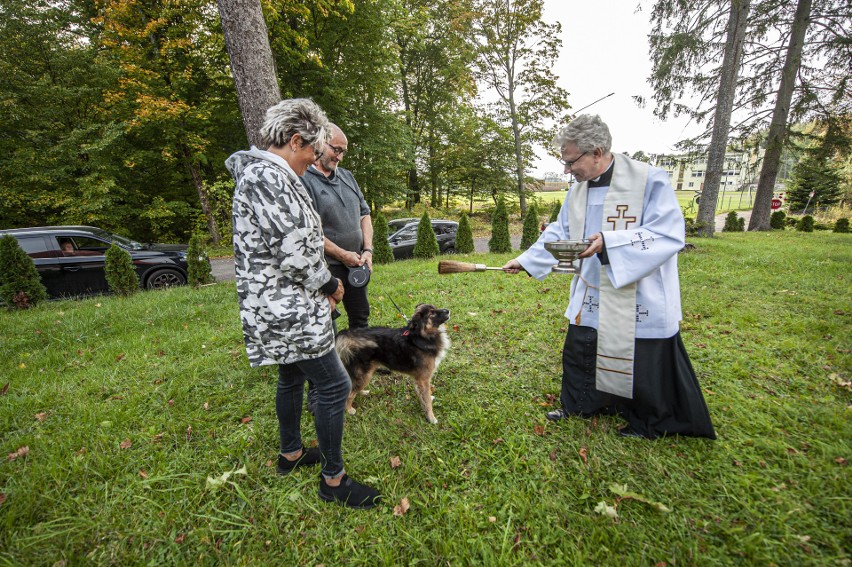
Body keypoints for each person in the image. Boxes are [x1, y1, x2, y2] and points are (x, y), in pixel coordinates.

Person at [502, 114, 715, 440]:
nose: (566, 170)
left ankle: (649, 422)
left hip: (637, 290)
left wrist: (611, 243)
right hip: (592, 286)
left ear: (597, 152)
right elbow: (561, 231)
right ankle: (582, 404)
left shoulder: (649, 180)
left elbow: (668, 234)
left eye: (571, 161)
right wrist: (526, 260)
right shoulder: (578, 191)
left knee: (640, 358)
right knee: (582, 347)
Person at [226, 98, 381, 508]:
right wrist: (330, 283)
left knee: (292, 377)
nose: (314, 158)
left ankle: (291, 454)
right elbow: (294, 252)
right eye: (313, 149)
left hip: (284, 305)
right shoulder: (268, 178)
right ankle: (334, 481)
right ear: (295, 140)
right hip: (286, 306)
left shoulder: (267, 175)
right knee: (334, 383)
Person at [300, 123, 373, 330]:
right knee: (326, 319)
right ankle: (332, 361)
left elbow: (364, 214)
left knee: (360, 317)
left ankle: (359, 361)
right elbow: (309, 231)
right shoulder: (304, 180)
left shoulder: (347, 177)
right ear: (320, 143)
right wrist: (342, 254)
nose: (339, 157)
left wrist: (367, 250)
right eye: (336, 149)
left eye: (343, 152)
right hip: (327, 267)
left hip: (357, 263)